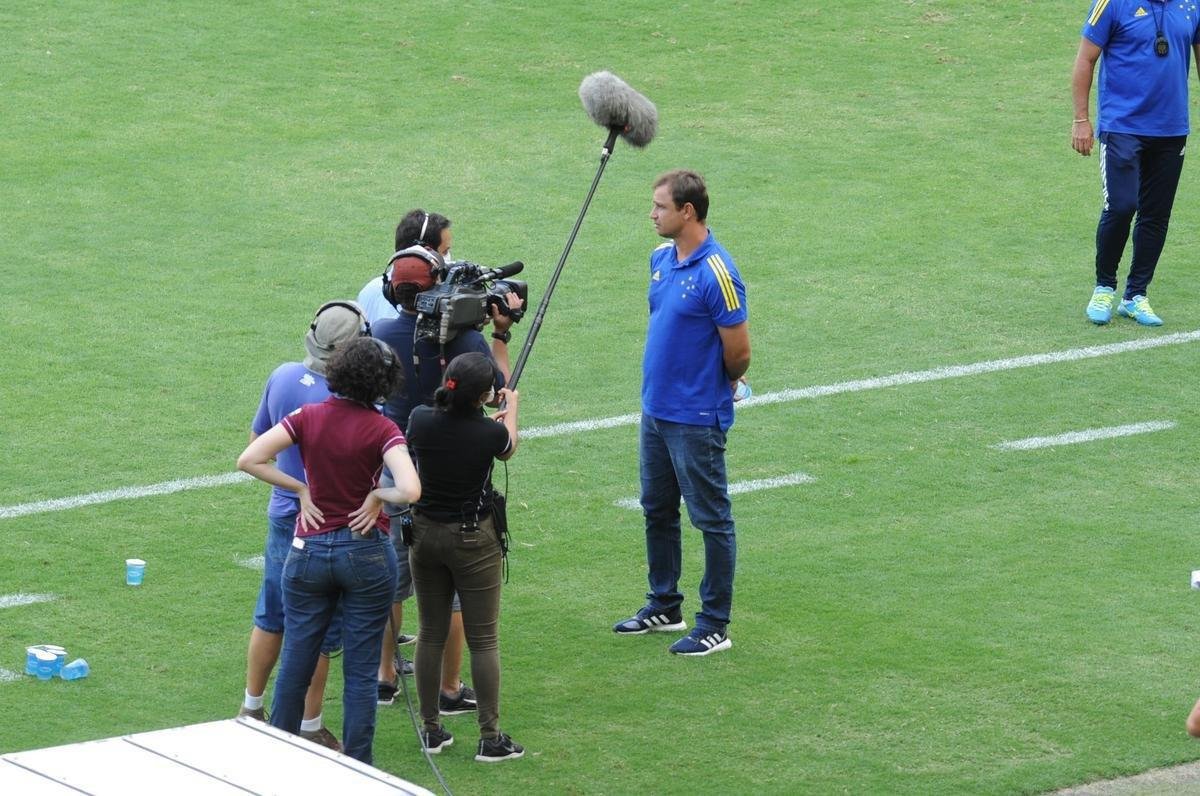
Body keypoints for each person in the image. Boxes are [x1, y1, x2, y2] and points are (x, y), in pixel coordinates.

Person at [237, 336, 421, 764]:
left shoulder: (308, 416)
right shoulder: (384, 428)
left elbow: (248, 459)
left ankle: (275, 759)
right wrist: (377, 496)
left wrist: (301, 489)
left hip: (309, 550)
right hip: (366, 555)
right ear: (383, 383)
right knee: (359, 673)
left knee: (296, 664)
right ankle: (358, 769)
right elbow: (411, 489)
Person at [371, 209, 522, 713]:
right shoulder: (466, 341)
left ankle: (385, 676)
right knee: (457, 597)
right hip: (456, 492)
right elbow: (499, 392)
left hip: (397, 470)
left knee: (396, 574)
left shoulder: (382, 334)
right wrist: (500, 333)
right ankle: (451, 688)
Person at [613, 169, 750, 657]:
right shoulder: (660, 259)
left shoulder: (718, 272)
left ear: (687, 212)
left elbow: (739, 353)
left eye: (659, 207)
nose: (651, 214)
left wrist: (719, 384)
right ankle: (665, 604)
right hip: (656, 411)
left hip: (695, 417)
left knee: (711, 518)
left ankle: (715, 622)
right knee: (656, 508)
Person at [236, 300, 370, 751]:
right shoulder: (347, 399)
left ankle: (251, 706)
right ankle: (310, 727)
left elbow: (258, 446)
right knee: (317, 628)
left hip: (282, 514)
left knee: (270, 613)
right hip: (328, 524)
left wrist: (295, 488)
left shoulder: (283, 375)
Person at [406, 352, 524, 762]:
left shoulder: (420, 419)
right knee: (484, 639)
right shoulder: (487, 435)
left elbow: (449, 433)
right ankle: (490, 738)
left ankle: (431, 729)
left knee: (430, 632)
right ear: (485, 396)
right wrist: (512, 410)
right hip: (474, 540)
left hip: (423, 537)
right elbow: (507, 447)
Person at [1072, 0, 1200, 326]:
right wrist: (1081, 120)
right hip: (1122, 127)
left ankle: (1135, 295)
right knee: (1122, 206)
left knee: (1156, 214)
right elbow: (1086, 59)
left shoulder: (1192, 5)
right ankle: (1104, 286)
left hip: (1171, 130)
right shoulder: (1112, 4)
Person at [356, 210, 453, 325]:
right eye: (445, 251)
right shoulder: (441, 307)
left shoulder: (369, 290)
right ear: (424, 255)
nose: (448, 257)